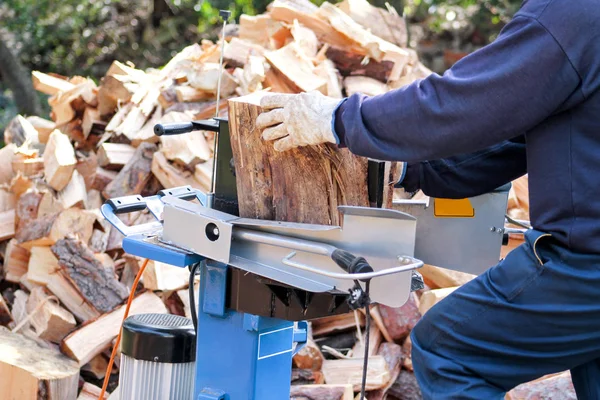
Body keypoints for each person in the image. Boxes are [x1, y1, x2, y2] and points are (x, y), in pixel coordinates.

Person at [255, 0, 600, 398]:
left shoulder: (575, 12)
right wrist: (410, 170)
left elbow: (461, 105)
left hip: (585, 264)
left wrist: (337, 120)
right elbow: (518, 139)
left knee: (449, 349)